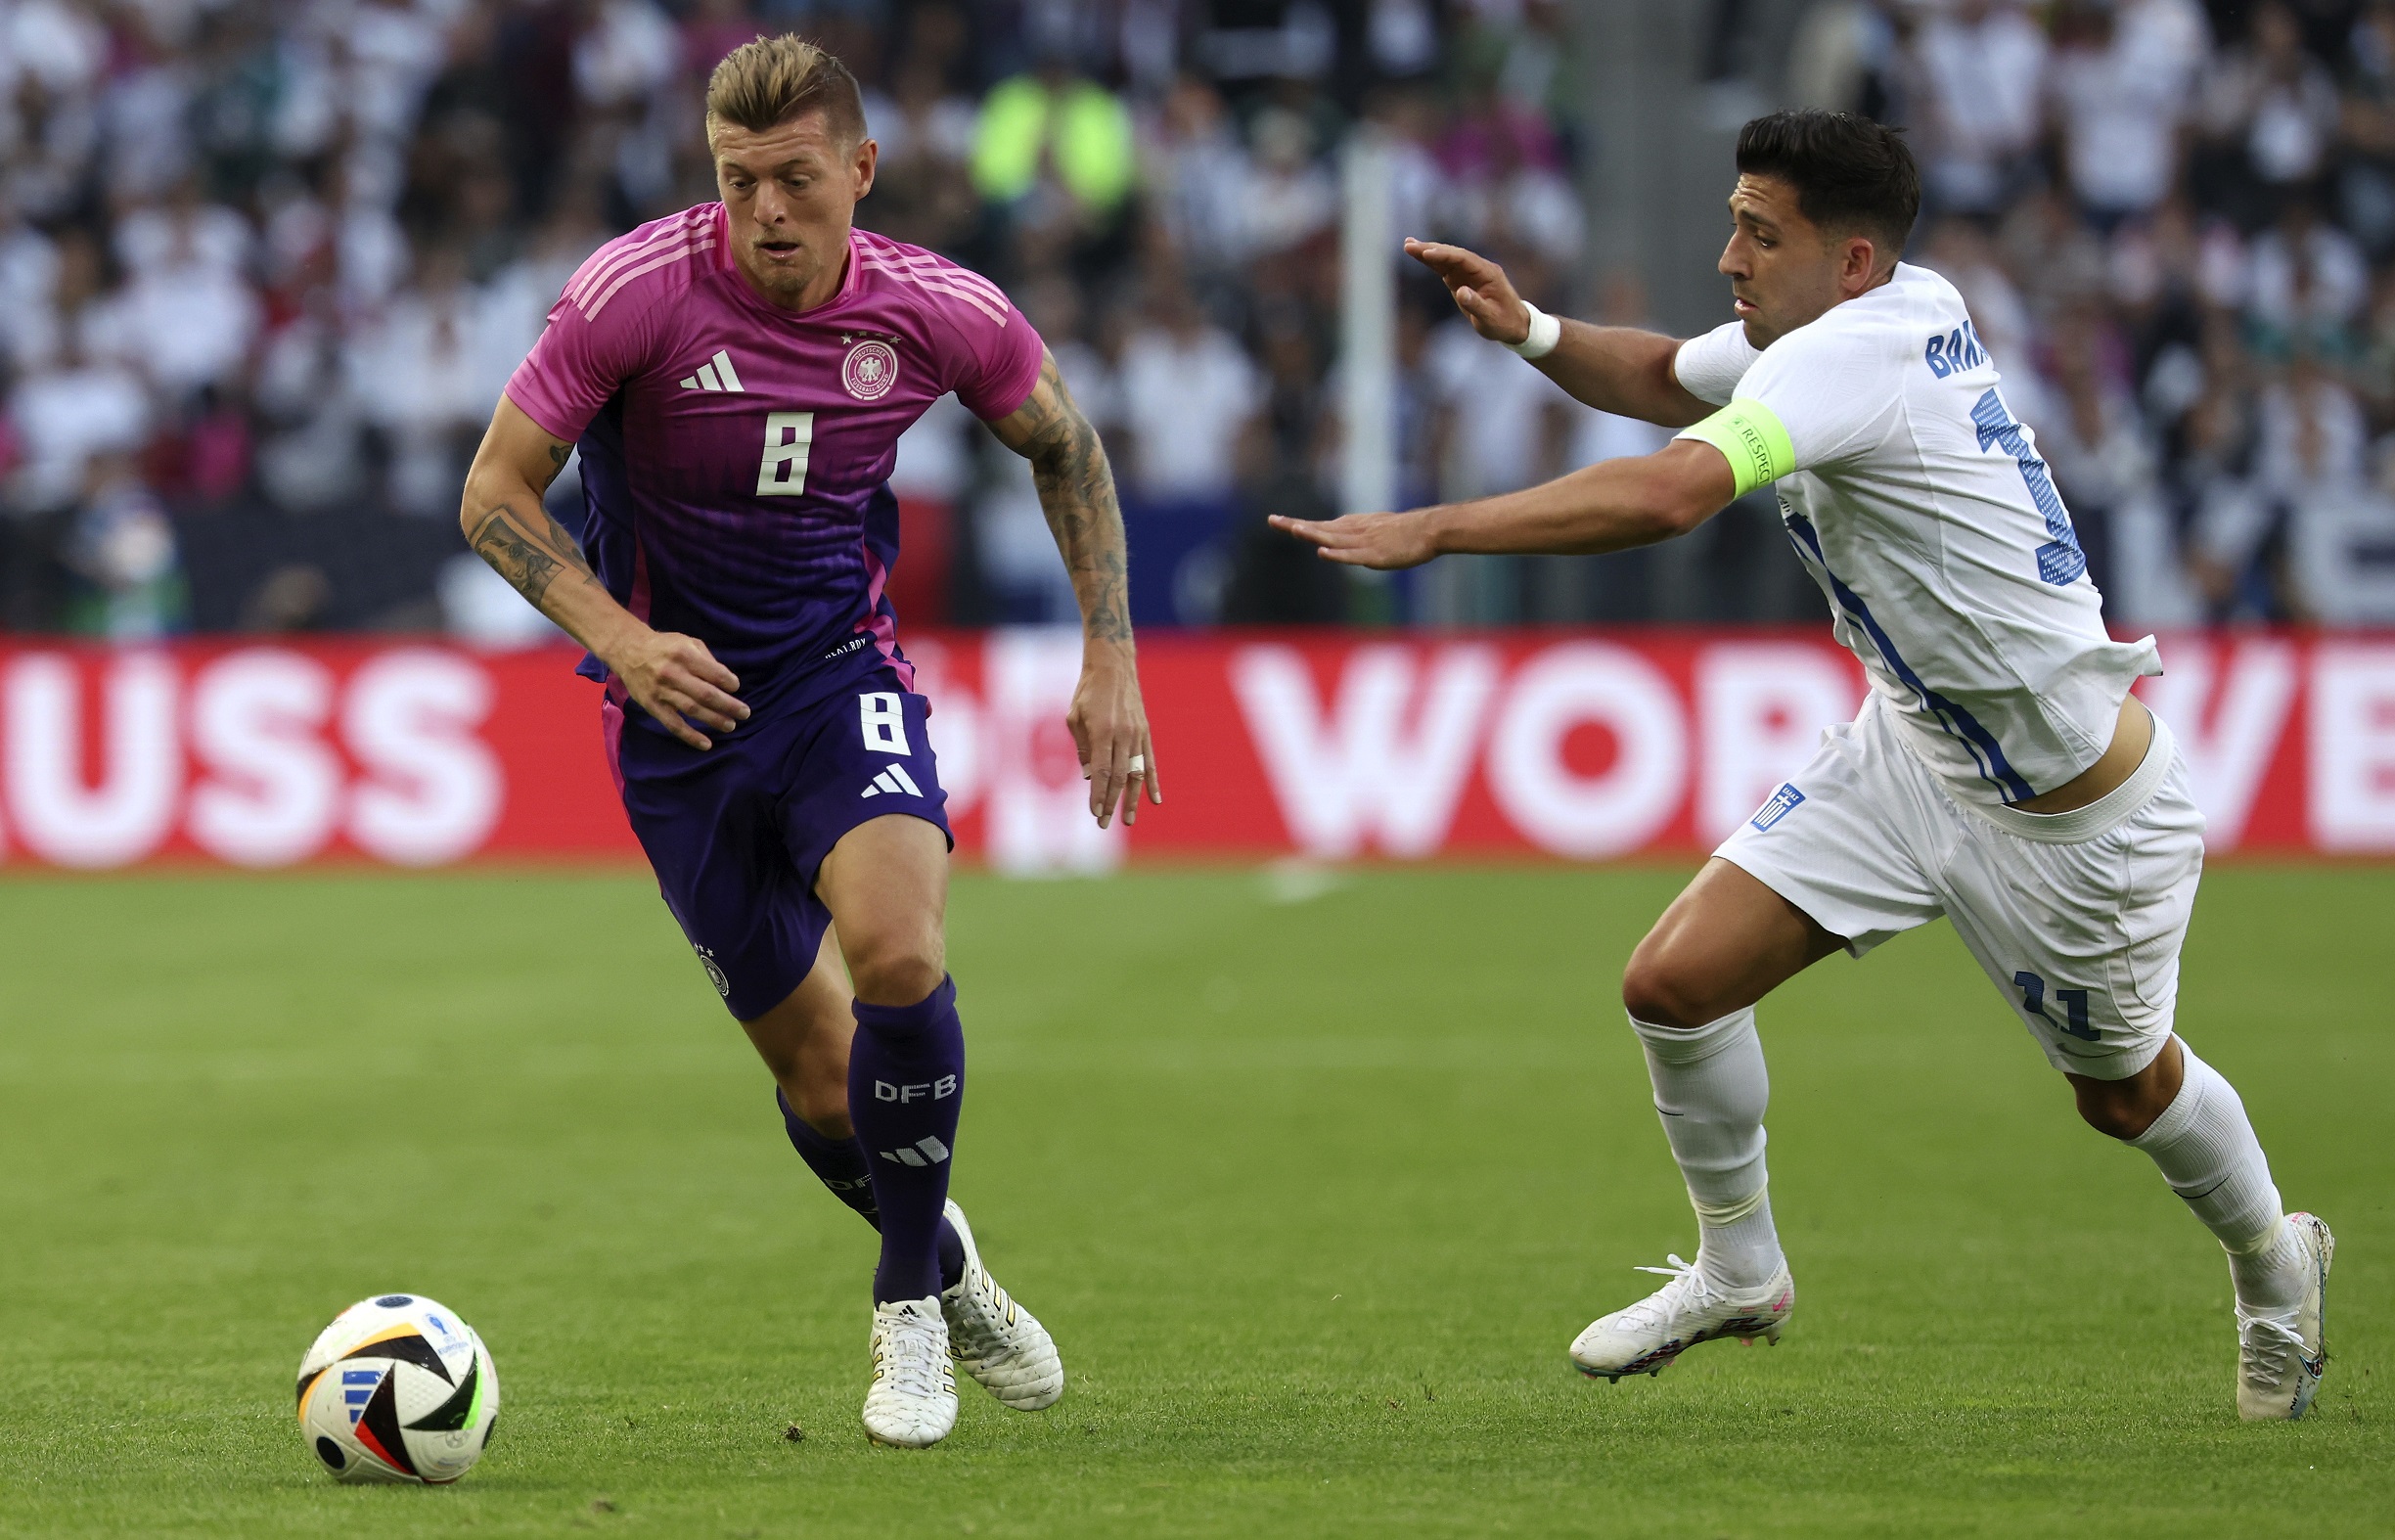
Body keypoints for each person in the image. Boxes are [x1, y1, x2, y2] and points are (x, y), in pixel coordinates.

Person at [1276, 111, 2330, 1422]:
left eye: (1758, 235)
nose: (1728, 256)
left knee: (2128, 1094)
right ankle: (1740, 1267)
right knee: (1673, 981)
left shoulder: (1853, 358)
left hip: (2071, 821)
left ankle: (2274, 1265)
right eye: (1731, 222)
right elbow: (1669, 376)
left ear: (1851, 261)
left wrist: (1436, 526)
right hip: (1916, 749)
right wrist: (1535, 333)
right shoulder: (1864, 316)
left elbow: (1669, 491)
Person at [458, 35, 1160, 1449]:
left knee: (902, 950)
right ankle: (952, 1260)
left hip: (839, 676)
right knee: (821, 1077)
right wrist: (624, 639)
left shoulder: (936, 308)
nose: (765, 209)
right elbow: (492, 494)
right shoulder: (634, 294)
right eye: (736, 180)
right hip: (676, 720)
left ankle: (906, 1308)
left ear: (860, 170)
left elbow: (1065, 443)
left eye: (792, 178)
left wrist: (1111, 655)